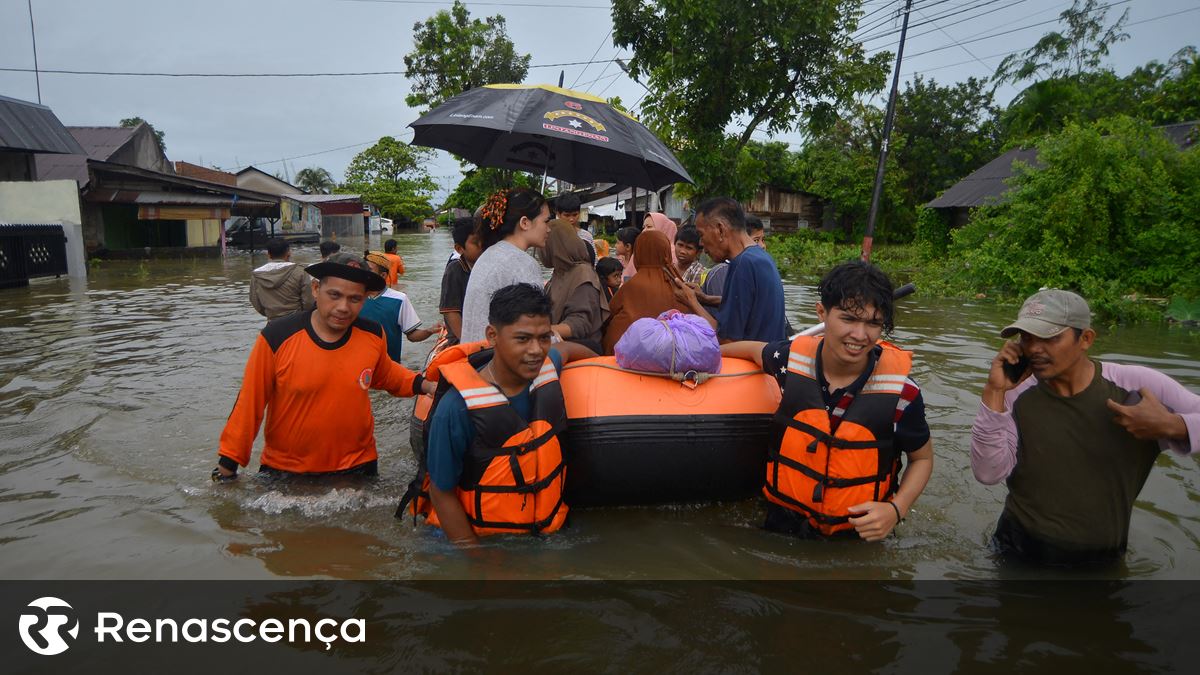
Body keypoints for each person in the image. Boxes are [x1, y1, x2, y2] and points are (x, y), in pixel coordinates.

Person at [971, 289, 1200, 566]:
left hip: (1101, 561)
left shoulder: (1135, 387)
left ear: (1086, 339)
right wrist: (994, 390)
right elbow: (987, 472)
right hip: (1015, 550)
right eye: (1027, 338)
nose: (1033, 349)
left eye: (1050, 337)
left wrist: (1173, 425)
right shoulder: (1014, 392)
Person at [720, 261, 934, 541]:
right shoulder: (789, 361)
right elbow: (750, 350)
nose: (860, 335)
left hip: (857, 536)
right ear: (822, 313)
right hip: (783, 524)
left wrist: (896, 509)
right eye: (848, 318)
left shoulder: (902, 394)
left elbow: (922, 458)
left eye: (873, 323)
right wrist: (706, 357)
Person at [214, 252, 434, 481]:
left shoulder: (372, 334)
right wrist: (228, 464)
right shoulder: (277, 336)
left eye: (354, 299)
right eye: (334, 295)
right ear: (316, 289)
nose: (343, 307)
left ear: (365, 298)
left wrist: (427, 385)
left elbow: (386, 373)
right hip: (288, 471)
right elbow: (250, 402)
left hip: (359, 465)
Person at [410, 283, 596, 543]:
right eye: (522, 339)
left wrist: (603, 360)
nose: (535, 350)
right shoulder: (456, 409)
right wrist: (473, 556)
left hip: (541, 525)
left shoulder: (545, 367)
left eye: (544, 337)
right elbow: (442, 494)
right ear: (493, 335)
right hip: (476, 536)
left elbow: (565, 350)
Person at [671, 197, 788, 343]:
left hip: (750, 364)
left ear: (720, 230)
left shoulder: (741, 265)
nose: (701, 243)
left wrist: (691, 302)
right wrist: (705, 299)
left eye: (701, 235)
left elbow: (727, 340)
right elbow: (751, 305)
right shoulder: (760, 257)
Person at [459, 188, 552, 343]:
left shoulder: (489, 254)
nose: (548, 229)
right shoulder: (524, 264)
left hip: (473, 354)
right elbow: (535, 326)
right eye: (546, 221)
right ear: (524, 223)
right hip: (495, 357)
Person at [602, 229, 690, 354]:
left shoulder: (631, 285)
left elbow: (608, 315)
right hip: (673, 356)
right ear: (666, 252)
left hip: (625, 353)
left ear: (638, 253)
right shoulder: (678, 284)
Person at [361, 252, 441, 362]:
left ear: (383, 275)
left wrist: (429, 331)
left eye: (368, 270)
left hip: (389, 367)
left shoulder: (399, 299)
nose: (363, 273)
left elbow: (412, 334)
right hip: (358, 365)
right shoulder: (354, 297)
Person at [545, 221, 609, 353]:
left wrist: (541, 332)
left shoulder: (582, 274)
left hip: (579, 351)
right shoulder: (560, 272)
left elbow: (580, 323)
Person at [439, 217, 484, 345]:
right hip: (461, 339)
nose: (483, 246)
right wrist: (467, 343)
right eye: (476, 242)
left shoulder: (491, 265)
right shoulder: (455, 270)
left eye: (485, 241)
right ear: (459, 249)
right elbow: (450, 312)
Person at [249, 238, 316, 320]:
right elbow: (308, 301)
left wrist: (270, 314)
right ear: (288, 252)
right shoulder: (300, 272)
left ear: (269, 254)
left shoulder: (257, 275)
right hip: (296, 322)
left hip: (272, 323)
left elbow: (255, 302)